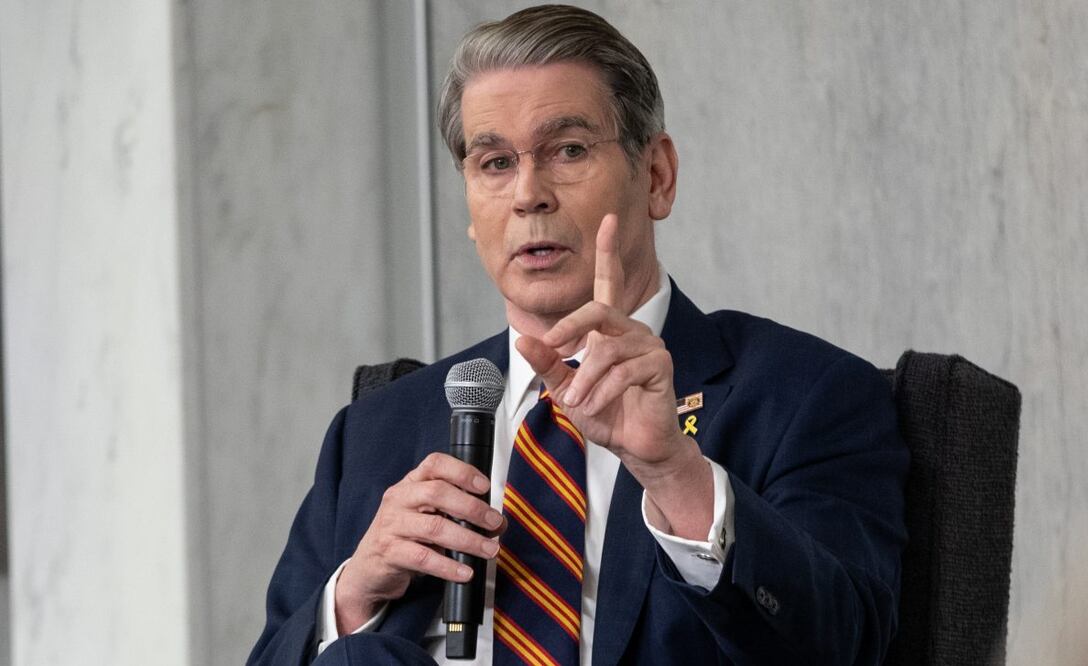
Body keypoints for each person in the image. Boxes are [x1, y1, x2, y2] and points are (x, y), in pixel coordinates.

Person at [248, 5, 908, 665]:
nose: (528, 195)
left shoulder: (802, 395)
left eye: (568, 150)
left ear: (657, 177)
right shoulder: (374, 432)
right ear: (472, 207)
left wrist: (675, 474)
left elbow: (848, 647)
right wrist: (355, 595)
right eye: (495, 162)